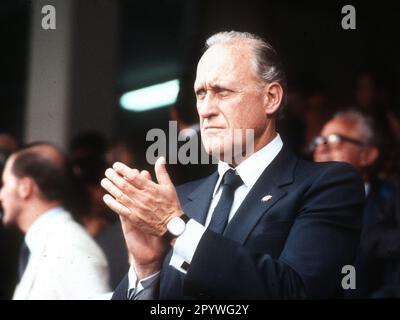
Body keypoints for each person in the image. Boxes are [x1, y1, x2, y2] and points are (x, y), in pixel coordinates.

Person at [102, 31, 364, 299]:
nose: (205, 110)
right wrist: (146, 270)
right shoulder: (179, 201)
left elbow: (297, 292)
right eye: (201, 93)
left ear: (271, 98)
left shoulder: (329, 185)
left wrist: (177, 226)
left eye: (221, 92)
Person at [0, 142, 110, 299]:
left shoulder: (69, 244)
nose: (1, 194)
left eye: (5, 184)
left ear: (25, 187)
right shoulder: (50, 240)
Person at [312, 110, 397, 297]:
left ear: (366, 155)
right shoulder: (296, 204)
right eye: (319, 141)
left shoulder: (391, 204)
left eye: (334, 140)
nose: (321, 148)